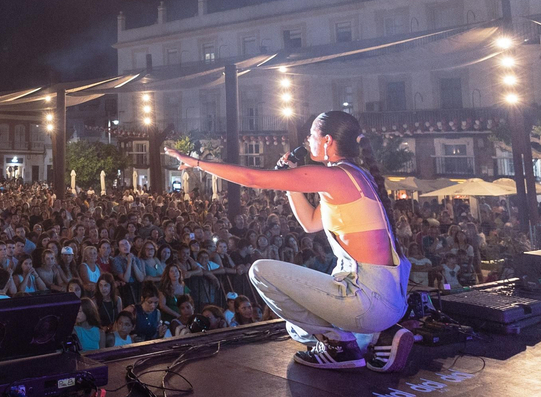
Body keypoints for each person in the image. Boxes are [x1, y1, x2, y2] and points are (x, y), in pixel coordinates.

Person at [167, 110, 413, 372]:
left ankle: (342, 346)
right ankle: (375, 338)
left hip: (367, 298)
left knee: (259, 271)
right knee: (295, 328)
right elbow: (310, 223)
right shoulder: (355, 176)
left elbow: (252, 178)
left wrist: (197, 163)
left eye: (312, 135)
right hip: (389, 300)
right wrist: (291, 180)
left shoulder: (334, 175)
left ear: (328, 140)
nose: (308, 140)